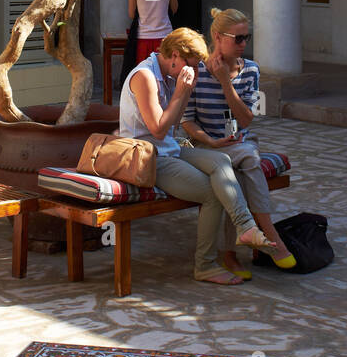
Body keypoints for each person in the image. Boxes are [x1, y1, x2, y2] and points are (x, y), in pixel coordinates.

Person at [119, 27, 278, 285]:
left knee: (222, 161)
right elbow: (158, 129)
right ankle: (204, 265)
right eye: (189, 65)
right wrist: (182, 92)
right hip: (148, 158)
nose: (191, 71)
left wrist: (184, 91)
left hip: (168, 149)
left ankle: (245, 227)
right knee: (211, 193)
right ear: (174, 55)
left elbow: (173, 126)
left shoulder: (169, 75)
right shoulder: (145, 76)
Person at [183, 8, 296, 277]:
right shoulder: (195, 71)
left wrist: (225, 82)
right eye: (238, 39)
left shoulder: (251, 70)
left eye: (247, 38)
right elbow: (187, 122)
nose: (244, 44)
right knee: (240, 163)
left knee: (245, 158)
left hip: (240, 143)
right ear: (217, 37)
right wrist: (210, 139)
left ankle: (232, 253)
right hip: (205, 146)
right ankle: (269, 239)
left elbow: (246, 121)